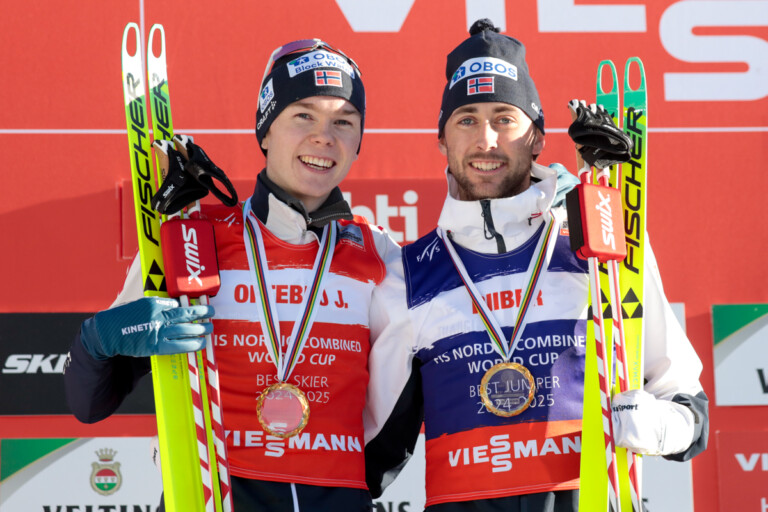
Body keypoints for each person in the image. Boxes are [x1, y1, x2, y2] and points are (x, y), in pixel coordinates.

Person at [364, 19, 709, 512]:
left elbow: (688, 407)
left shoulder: (602, 241)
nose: (486, 139)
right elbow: (367, 457)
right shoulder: (409, 275)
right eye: (466, 119)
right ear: (441, 140)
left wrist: (656, 426)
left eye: (505, 118)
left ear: (538, 137)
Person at [64, 38, 403, 511]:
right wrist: (98, 341)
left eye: (344, 122)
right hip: (214, 493)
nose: (324, 136)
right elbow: (88, 403)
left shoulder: (378, 252)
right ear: (265, 130)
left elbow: (407, 399)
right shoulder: (192, 239)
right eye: (303, 115)